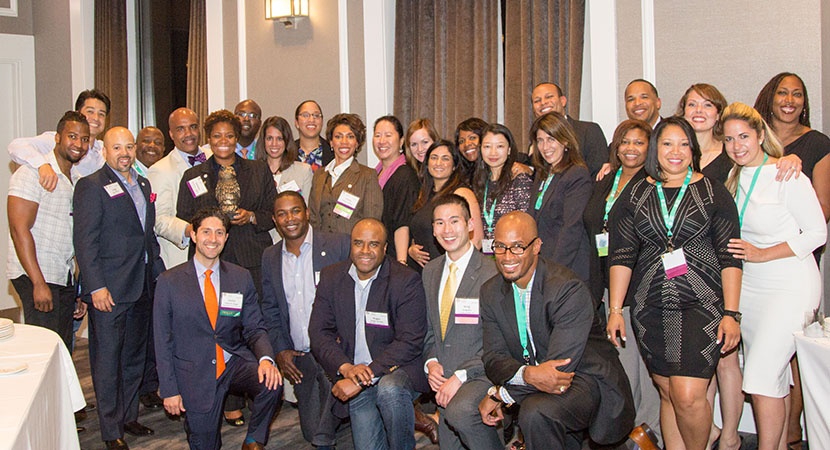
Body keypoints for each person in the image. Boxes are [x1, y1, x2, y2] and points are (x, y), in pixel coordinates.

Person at [606, 117, 742, 450]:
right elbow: (621, 255)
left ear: (693, 150)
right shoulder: (637, 193)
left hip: (703, 305)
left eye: (683, 143)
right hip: (649, 306)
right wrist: (615, 309)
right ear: (656, 149)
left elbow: (730, 258)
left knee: (689, 395)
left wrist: (732, 313)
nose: (676, 151)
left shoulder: (712, 192)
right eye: (667, 144)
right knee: (668, 393)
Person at [478, 211, 634, 449]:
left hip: (586, 379)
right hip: (537, 380)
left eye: (518, 246)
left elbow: (559, 370)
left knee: (536, 411)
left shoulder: (566, 288)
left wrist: (502, 394)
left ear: (537, 246)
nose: (507, 256)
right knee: (535, 409)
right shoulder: (490, 292)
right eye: (500, 246)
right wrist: (528, 375)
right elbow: (493, 358)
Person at [721, 102, 826, 450]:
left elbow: (816, 234)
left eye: (744, 137)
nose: (737, 146)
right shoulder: (734, 178)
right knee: (772, 377)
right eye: (730, 139)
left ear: (761, 135)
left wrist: (764, 253)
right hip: (750, 288)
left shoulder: (787, 174)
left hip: (789, 285)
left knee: (761, 377)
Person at [154, 208, 282, 450]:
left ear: (226, 237)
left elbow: (255, 326)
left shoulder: (240, 277)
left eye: (219, 233)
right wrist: (169, 390)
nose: (213, 239)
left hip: (232, 362)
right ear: (193, 235)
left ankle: (254, 441)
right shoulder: (169, 281)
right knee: (205, 443)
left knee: (271, 382)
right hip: (194, 372)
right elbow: (162, 340)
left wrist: (266, 359)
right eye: (206, 232)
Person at [74, 126, 166, 449]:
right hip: (109, 291)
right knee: (107, 362)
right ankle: (111, 430)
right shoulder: (91, 186)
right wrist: (95, 286)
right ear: (105, 151)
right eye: (117, 147)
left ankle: (128, 417)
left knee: (134, 359)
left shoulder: (142, 183)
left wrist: (160, 277)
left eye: (129, 147)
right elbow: (85, 243)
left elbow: (147, 236)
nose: (124, 153)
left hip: (142, 286)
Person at [754, 72, 830, 450]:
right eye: (783, 92)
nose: (790, 99)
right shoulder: (753, 144)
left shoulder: (816, 144)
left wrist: (777, 247)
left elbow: (823, 209)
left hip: (794, 262)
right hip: (753, 276)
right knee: (774, 363)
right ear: (770, 98)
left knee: (793, 357)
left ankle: (793, 433)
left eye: (797, 94)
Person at [309, 218, 430, 450]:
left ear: (385, 249)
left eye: (374, 244)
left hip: (398, 369)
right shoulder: (331, 277)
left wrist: (367, 374)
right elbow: (318, 331)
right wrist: (345, 368)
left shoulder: (405, 281)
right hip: (354, 370)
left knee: (389, 390)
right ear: (350, 246)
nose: (365, 251)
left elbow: (410, 340)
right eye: (358, 243)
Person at [581, 119, 662, 443]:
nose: (630, 148)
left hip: (638, 283)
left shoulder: (653, 183)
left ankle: (648, 430)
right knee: (621, 363)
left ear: (649, 148)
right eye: (624, 142)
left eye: (639, 142)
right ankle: (634, 426)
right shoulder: (606, 179)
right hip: (604, 280)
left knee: (643, 366)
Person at [260, 191, 350, 450]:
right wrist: (280, 350)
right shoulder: (270, 256)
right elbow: (271, 309)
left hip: (336, 350)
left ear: (307, 213)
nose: (290, 218)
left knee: (324, 434)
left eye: (295, 211)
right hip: (300, 356)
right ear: (275, 220)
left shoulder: (337, 246)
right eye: (282, 213)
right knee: (312, 431)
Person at [422, 194, 502, 450]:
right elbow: (429, 329)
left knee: (461, 412)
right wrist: (431, 362)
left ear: (469, 225)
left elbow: (498, 342)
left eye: (454, 221)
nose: (447, 230)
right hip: (443, 381)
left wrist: (460, 375)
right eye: (440, 223)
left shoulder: (492, 272)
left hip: (481, 375)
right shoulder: (430, 271)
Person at [8, 111, 89, 350]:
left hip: (61, 275)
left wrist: (78, 290)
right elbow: (18, 228)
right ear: (57, 137)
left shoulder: (75, 179)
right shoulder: (31, 173)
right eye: (72, 136)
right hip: (38, 275)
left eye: (84, 139)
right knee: (41, 352)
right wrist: (38, 282)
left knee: (61, 350)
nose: (78, 144)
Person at [176, 109, 277, 295]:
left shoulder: (259, 170)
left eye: (229, 136)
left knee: (253, 316)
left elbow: (273, 212)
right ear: (209, 139)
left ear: (236, 138)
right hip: (209, 259)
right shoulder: (193, 176)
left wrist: (252, 217)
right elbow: (184, 215)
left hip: (252, 259)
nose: (223, 141)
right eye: (217, 136)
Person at [529, 111, 592, 281]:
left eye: (551, 139)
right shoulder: (542, 174)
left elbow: (571, 228)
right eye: (540, 141)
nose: (545, 147)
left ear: (565, 141)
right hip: (541, 263)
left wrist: (553, 271)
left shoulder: (576, 174)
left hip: (564, 267)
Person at [148, 108, 213, 270]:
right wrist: (191, 230)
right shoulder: (160, 170)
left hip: (219, 255)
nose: (188, 133)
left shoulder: (214, 157)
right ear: (171, 134)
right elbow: (159, 219)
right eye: (180, 129)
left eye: (193, 127)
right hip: (182, 259)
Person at [8, 89, 109, 190]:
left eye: (101, 114)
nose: (96, 118)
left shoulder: (102, 150)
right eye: (90, 112)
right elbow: (16, 146)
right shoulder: (57, 140)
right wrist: (42, 165)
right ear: (78, 113)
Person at [408, 140, 484, 270]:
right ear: (427, 163)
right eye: (434, 158)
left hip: (451, 272)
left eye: (445, 158)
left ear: (454, 165)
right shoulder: (424, 194)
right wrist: (411, 250)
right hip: (423, 274)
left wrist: (455, 269)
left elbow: (476, 240)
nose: (438, 163)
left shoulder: (462, 193)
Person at [308, 113, 383, 235]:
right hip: (321, 247)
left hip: (351, 249)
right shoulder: (319, 175)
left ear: (357, 143)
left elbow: (372, 222)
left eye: (350, 137)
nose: (344, 142)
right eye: (338, 136)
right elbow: (313, 218)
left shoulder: (367, 176)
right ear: (331, 142)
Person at [473, 123, 533, 253]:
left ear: (509, 149)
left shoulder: (519, 180)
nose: (493, 152)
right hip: (484, 257)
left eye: (500, 146)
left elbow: (526, 225)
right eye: (487, 146)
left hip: (512, 254)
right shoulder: (479, 182)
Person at [530, 82, 609, 177]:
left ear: (563, 101)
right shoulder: (537, 137)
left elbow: (599, 175)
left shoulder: (588, 130)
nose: (543, 103)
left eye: (549, 97)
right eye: (537, 101)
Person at [373, 115, 420, 262]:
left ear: (401, 141)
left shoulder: (404, 175)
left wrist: (401, 263)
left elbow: (403, 223)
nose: (382, 141)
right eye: (377, 135)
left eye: (388, 135)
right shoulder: (374, 173)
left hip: (396, 256)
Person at [255, 115, 313, 203]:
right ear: (263, 141)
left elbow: (308, 209)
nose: (274, 144)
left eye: (279, 139)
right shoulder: (254, 172)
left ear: (286, 141)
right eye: (269, 138)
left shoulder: (303, 171)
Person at [294, 100, 332, 171]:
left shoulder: (334, 153)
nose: (311, 120)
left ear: (322, 121)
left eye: (316, 115)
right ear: (296, 123)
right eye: (305, 115)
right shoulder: (286, 153)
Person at [454, 117, 489, 182]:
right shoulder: (460, 175)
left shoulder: (500, 170)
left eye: (472, 138)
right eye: (461, 141)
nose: (466, 144)